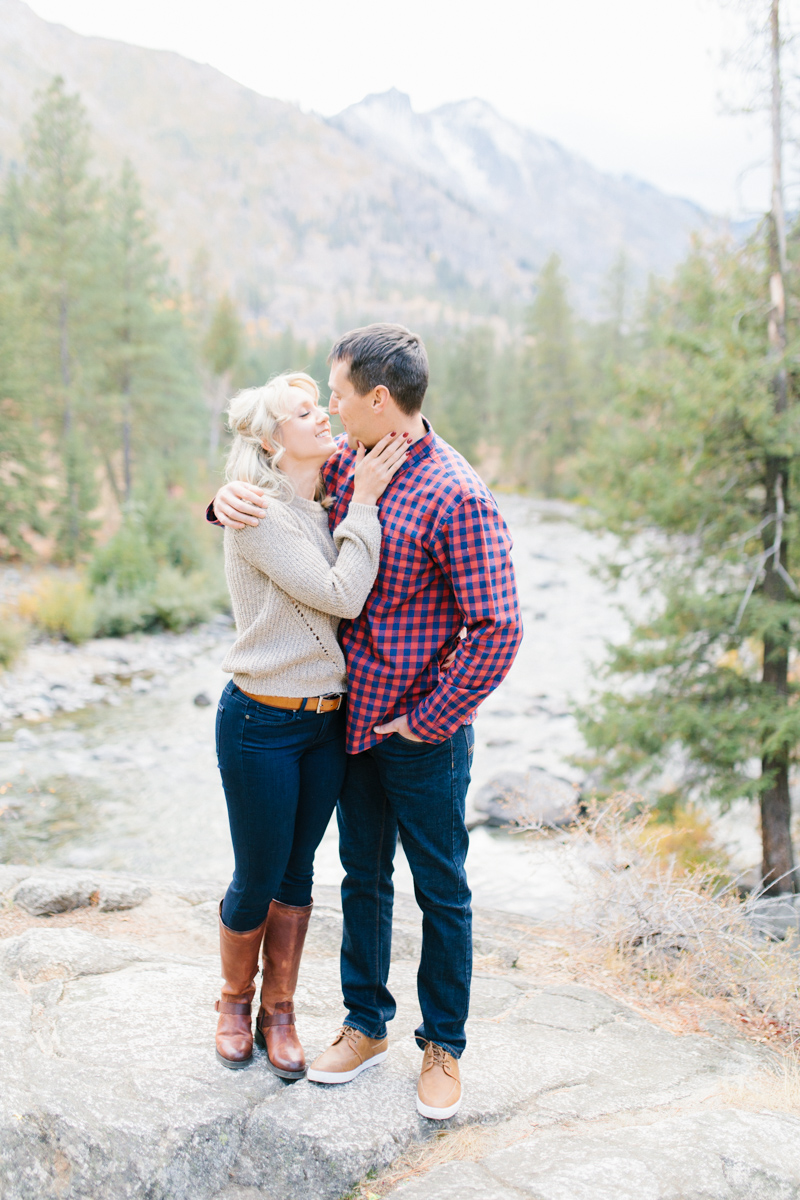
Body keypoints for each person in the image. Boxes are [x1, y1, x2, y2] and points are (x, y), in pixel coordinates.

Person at [212, 325, 522, 1119]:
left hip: (422, 737)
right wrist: (219, 504)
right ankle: (365, 1023)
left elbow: (499, 627)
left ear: (378, 400)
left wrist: (427, 721)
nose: (333, 403)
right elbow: (279, 499)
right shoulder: (349, 461)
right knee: (363, 879)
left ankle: (443, 1047)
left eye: (341, 391)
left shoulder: (458, 493)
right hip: (345, 725)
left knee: (442, 889)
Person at [213, 370, 408, 1076]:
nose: (322, 417)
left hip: (325, 724)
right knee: (258, 871)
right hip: (259, 722)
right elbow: (340, 595)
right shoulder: (257, 513)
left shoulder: (322, 499)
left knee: (298, 874)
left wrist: (353, 498)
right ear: (272, 441)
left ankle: (281, 1011)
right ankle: (236, 1002)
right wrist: (365, 505)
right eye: (305, 412)